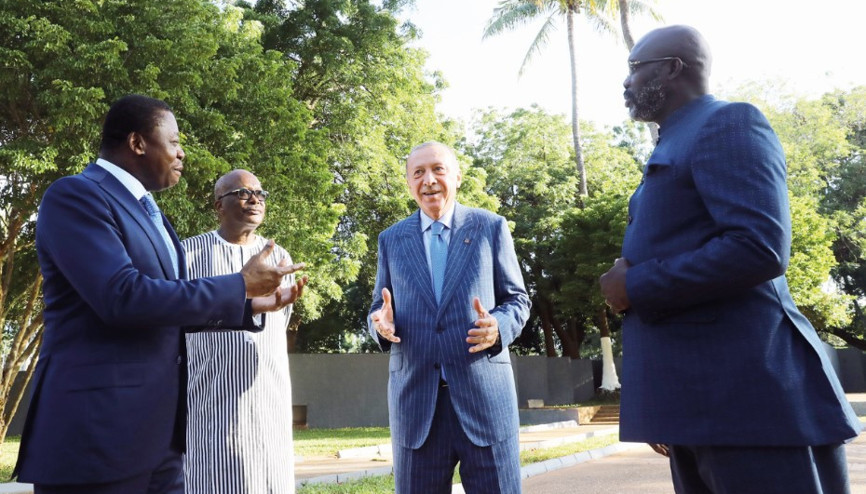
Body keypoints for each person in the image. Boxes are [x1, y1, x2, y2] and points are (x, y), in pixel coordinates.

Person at [599, 25, 862, 493]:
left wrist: (634, 286)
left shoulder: (728, 123)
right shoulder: (674, 140)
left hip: (748, 404)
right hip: (701, 404)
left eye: (634, 69)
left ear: (672, 68)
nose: (626, 82)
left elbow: (759, 245)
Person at [13, 95, 301, 494]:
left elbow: (165, 305)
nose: (182, 154)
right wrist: (237, 284)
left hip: (160, 441)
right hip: (99, 438)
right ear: (137, 143)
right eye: (175, 141)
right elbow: (121, 297)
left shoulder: (151, 213)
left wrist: (249, 304)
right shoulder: (76, 196)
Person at [368, 141, 531, 494]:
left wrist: (498, 327)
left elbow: (518, 300)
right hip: (416, 408)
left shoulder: (491, 227)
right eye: (418, 173)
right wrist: (380, 324)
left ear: (456, 176)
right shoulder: (391, 240)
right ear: (409, 183)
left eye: (438, 169)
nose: (429, 180)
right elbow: (378, 309)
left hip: (484, 401)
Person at [182, 169, 308, 493]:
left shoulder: (279, 257)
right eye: (242, 193)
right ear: (218, 206)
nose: (254, 199)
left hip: (269, 396)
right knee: (215, 478)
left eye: (260, 193)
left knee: (271, 479)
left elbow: (281, 315)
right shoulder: (188, 255)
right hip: (211, 397)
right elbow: (177, 318)